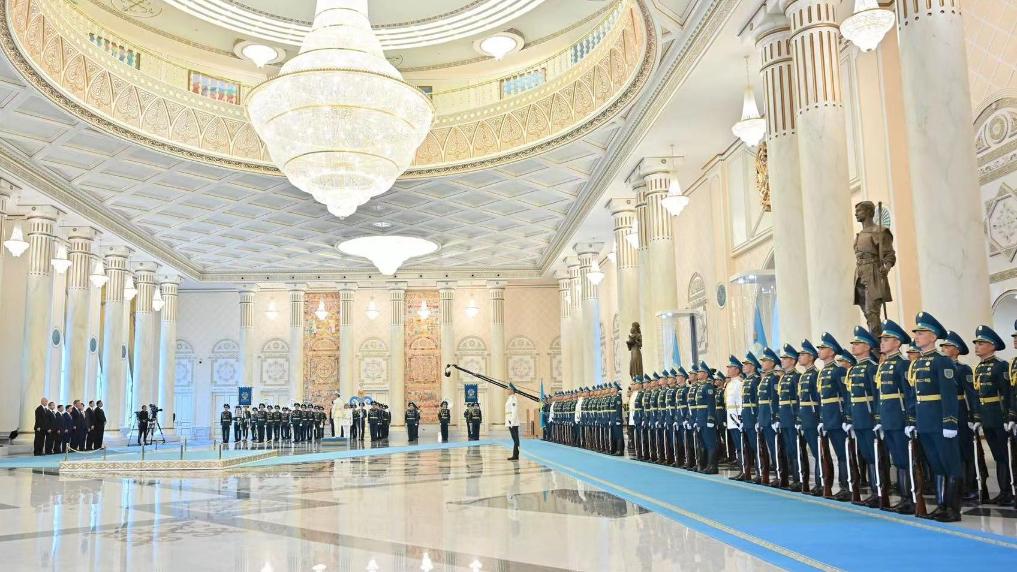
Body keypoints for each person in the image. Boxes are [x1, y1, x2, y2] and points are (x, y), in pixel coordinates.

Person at [909, 312, 963, 522]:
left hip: (940, 421)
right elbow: (915, 395)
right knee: (936, 464)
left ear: (933, 337)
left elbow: (949, 395)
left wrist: (950, 422)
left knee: (950, 464)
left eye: (921, 333)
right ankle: (941, 505)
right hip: (925, 421)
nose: (916, 336)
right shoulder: (917, 363)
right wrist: (913, 420)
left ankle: (953, 509)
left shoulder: (942, 362)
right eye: (916, 333)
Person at [970, 324, 1013, 506]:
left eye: (981, 343)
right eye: (976, 343)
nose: (977, 346)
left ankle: (1009, 491)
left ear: (992, 346)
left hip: (998, 416)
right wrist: (977, 417)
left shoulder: (1000, 366)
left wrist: (1008, 417)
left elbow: (1007, 394)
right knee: (997, 455)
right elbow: (977, 396)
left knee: (1006, 455)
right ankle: (1004, 491)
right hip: (987, 417)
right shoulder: (978, 368)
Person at [876, 320, 915, 514]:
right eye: (882, 339)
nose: (882, 342)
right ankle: (903, 497)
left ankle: (910, 498)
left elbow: (909, 395)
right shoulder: (883, 366)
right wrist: (879, 419)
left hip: (900, 419)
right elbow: (880, 395)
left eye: (887, 339)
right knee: (897, 460)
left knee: (905, 459)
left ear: (897, 342)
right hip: (888, 419)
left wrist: (910, 420)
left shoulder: (903, 364)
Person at [816, 332, 852, 501]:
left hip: (838, 418)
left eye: (823, 348)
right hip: (828, 418)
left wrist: (846, 417)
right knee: (838, 454)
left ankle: (848, 487)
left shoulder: (839, 371)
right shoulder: (822, 372)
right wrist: (822, 419)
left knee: (844, 454)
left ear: (831, 351)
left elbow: (846, 396)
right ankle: (843, 485)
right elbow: (821, 399)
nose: (819, 350)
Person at [506, 384, 520, 460]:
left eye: (508, 389)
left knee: (515, 439)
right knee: (515, 439)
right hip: (510, 420)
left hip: (512, 421)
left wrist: (512, 421)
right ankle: (516, 454)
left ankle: (515, 455)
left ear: (512, 390)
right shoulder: (510, 398)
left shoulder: (513, 399)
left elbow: (514, 411)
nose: (507, 390)